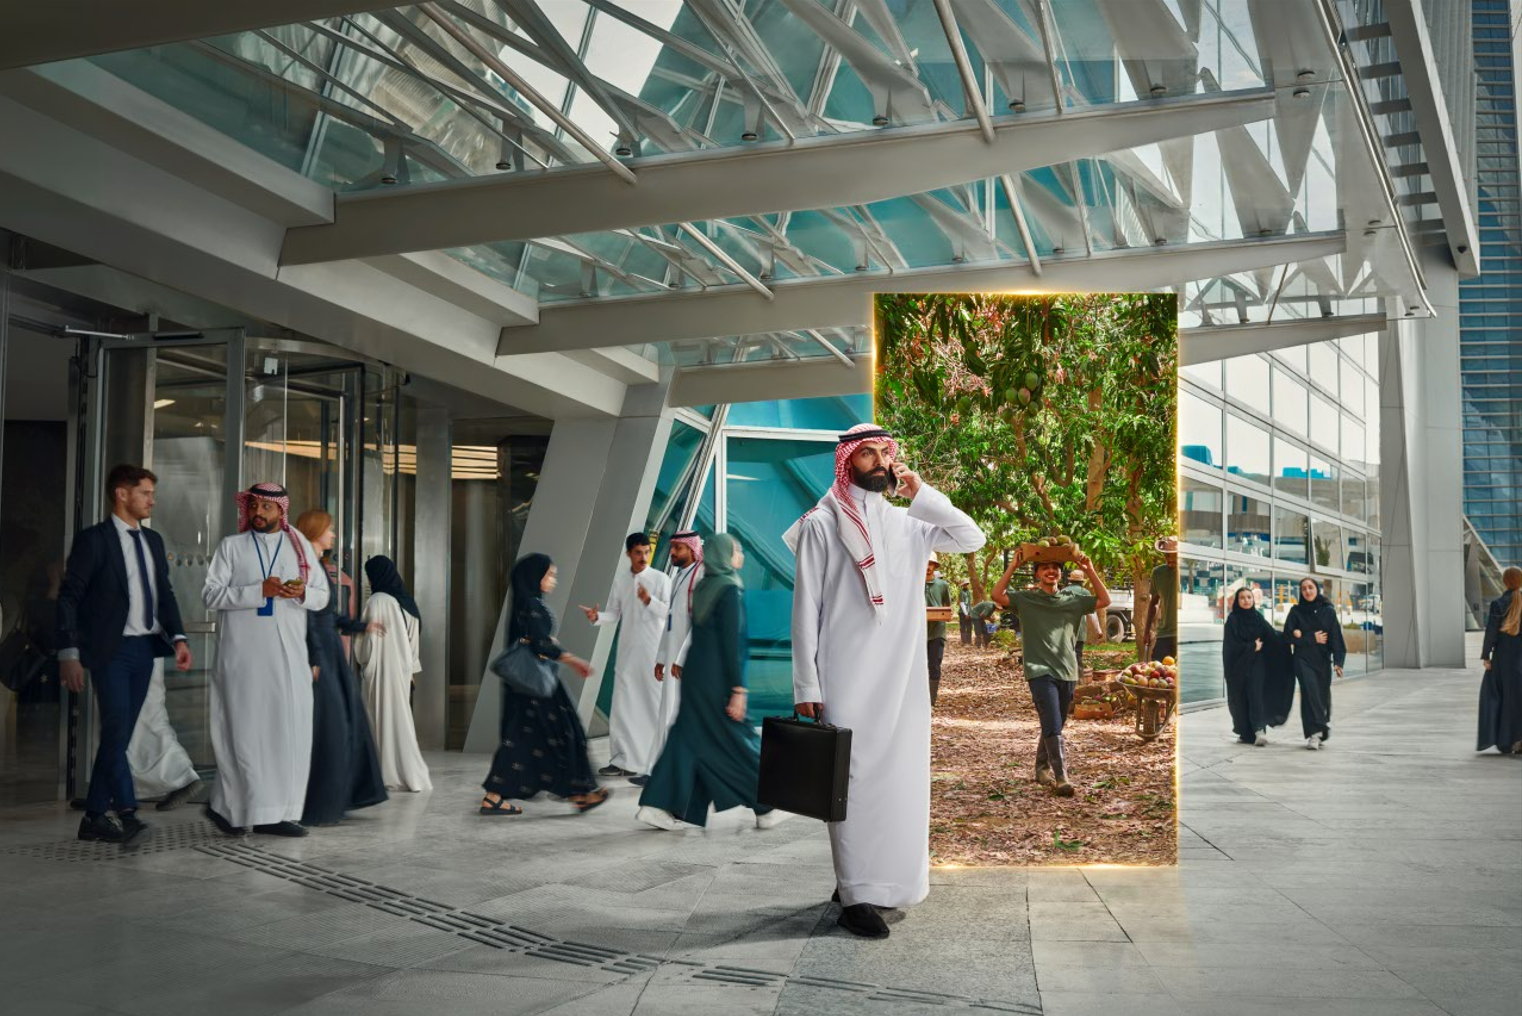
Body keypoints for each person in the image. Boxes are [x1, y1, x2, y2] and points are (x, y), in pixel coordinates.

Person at [786, 424, 986, 939]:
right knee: (850, 782)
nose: (877, 461)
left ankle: (875, 881)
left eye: (884, 452)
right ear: (847, 461)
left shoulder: (907, 525)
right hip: (845, 674)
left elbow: (972, 537)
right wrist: (806, 686)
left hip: (903, 679)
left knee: (898, 782)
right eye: (867, 453)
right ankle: (856, 896)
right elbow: (805, 609)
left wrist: (920, 492)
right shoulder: (821, 524)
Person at [56, 464, 194, 843]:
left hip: (143, 650)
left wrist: (179, 638)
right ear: (121, 494)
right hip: (109, 650)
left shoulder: (152, 541)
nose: (152, 500)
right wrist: (69, 652)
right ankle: (127, 811)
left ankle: (94, 817)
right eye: (146, 493)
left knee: (121, 735)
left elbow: (164, 594)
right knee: (117, 728)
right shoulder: (94, 540)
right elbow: (69, 597)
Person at [203, 482, 329, 836]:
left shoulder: (299, 546)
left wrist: (301, 592)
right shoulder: (231, 547)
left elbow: (321, 596)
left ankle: (276, 812)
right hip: (242, 658)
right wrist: (259, 591)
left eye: (266, 508)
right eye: (253, 506)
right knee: (243, 732)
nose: (258, 513)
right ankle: (237, 809)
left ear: (281, 511)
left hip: (287, 658)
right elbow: (210, 595)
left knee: (286, 732)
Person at [636, 534, 785, 832]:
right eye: (736, 551)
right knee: (737, 740)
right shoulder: (729, 590)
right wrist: (738, 689)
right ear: (724, 556)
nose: (740, 555)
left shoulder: (705, 586)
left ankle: (663, 805)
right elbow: (732, 644)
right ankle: (766, 804)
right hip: (716, 680)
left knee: (689, 739)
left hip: (697, 675)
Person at [480, 554, 610, 816]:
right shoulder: (531, 604)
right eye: (549, 575)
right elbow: (541, 643)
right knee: (565, 731)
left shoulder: (529, 603)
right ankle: (579, 793)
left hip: (529, 683)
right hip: (537, 685)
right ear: (534, 577)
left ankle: (497, 796)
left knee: (523, 738)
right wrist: (573, 660)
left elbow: (539, 639)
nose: (554, 580)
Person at [293, 511, 388, 826]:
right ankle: (318, 804)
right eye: (330, 530)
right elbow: (307, 615)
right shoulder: (304, 567)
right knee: (330, 727)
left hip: (329, 650)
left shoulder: (318, 566)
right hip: (320, 652)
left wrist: (361, 626)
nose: (333, 535)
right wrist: (314, 657)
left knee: (345, 722)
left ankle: (339, 796)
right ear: (316, 531)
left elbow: (328, 615)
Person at [992, 547, 1110, 798]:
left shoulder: (1073, 600)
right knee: (1053, 723)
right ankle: (1061, 776)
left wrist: (1090, 570)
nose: (1050, 570)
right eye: (1045, 567)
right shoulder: (1025, 599)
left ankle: (1041, 767)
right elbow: (997, 595)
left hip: (1067, 671)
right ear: (1037, 573)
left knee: (1055, 722)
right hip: (1039, 670)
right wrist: (1012, 566)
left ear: (1060, 574)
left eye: (1055, 567)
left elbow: (1104, 600)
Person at [581, 533, 670, 785]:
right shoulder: (621, 580)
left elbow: (670, 612)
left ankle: (655, 764)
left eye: (646, 552)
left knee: (653, 707)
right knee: (622, 705)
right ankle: (622, 761)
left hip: (653, 654)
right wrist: (596, 617)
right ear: (628, 553)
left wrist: (648, 600)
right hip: (627, 652)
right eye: (638, 552)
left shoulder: (660, 579)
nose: (643, 557)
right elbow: (614, 614)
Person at [354, 556, 432, 792]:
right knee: (401, 720)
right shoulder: (406, 602)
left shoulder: (377, 601)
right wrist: (411, 671)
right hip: (402, 672)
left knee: (380, 718)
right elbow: (413, 641)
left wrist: (363, 661)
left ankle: (385, 773)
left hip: (381, 671)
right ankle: (408, 772)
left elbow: (366, 643)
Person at [653, 531, 703, 762]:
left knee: (679, 714)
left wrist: (681, 659)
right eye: (672, 547)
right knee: (666, 712)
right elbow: (670, 620)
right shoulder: (679, 577)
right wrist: (661, 657)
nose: (672, 552)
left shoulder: (701, 576)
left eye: (678, 548)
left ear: (692, 550)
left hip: (687, 660)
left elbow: (701, 623)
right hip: (672, 656)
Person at [1284, 577, 1346, 750]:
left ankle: (1319, 728)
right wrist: (1311, 638)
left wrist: (1338, 662)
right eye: (1303, 589)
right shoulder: (1296, 612)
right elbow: (1287, 637)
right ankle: (1315, 733)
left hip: (1323, 661)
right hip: (1302, 660)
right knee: (1310, 692)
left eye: (1310, 587)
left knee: (1320, 695)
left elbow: (1335, 638)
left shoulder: (1328, 611)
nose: (1307, 591)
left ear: (1316, 589)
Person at [1222, 586, 1285, 746]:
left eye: (1249, 597)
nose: (1246, 600)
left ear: (1253, 599)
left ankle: (1259, 730)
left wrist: (1292, 637)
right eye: (1242, 597)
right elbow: (1231, 645)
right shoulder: (1233, 620)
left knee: (1256, 695)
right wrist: (1251, 646)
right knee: (1241, 698)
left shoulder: (1258, 618)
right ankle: (1245, 732)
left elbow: (1272, 635)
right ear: (1237, 600)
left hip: (1257, 664)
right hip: (1238, 666)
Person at [1477, 566, 1522, 755]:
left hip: (1504, 659)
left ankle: (1506, 740)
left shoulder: (1498, 604)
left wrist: (1486, 656)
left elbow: (1491, 633)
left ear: (1505, 581)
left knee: (1502, 698)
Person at [1141, 536, 1179, 663]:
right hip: (1165, 633)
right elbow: (1153, 603)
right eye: (1166, 555)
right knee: (1157, 669)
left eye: (1172, 555)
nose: (1169, 559)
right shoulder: (1158, 573)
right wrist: (1146, 632)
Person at [925, 554, 952, 705]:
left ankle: (931, 699)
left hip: (937, 631)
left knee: (934, 665)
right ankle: (919, 697)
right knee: (918, 665)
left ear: (935, 567)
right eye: (925, 563)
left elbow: (947, 606)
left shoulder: (943, 585)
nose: (928, 567)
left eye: (931, 564)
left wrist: (947, 614)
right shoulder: (913, 583)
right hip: (918, 632)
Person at [957, 580, 973, 646]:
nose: (966, 585)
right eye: (965, 584)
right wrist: (966, 613)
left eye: (967, 584)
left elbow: (969, 603)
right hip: (962, 612)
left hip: (969, 612)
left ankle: (969, 641)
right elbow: (962, 603)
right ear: (962, 585)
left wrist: (970, 612)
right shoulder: (961, 593)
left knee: (969, 626)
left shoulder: (969, 592)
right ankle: (964, 642)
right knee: (963, 627)